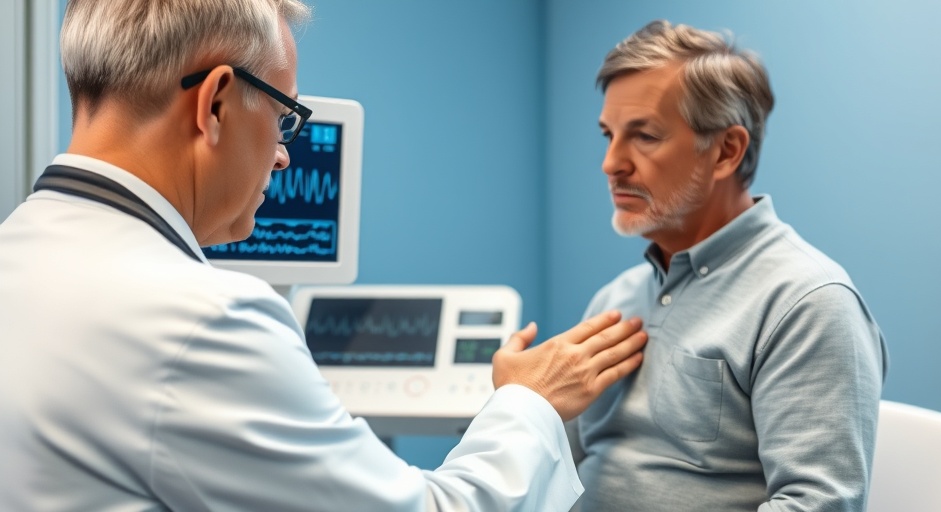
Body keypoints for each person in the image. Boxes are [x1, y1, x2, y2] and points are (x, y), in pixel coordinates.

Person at [0, 1, 649, 511]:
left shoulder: (19, 255)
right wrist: (527, 402)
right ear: (215, 103)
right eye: (284, 118)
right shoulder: (203, 318)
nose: (283, 154)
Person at [565, 20, 889, 511]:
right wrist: (521, 403)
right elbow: (558, 464)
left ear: (726, 151)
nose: (612, 163)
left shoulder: (807, 303)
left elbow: (816, 503)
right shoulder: (616, 300)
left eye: (644, 136)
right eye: (609, 135)